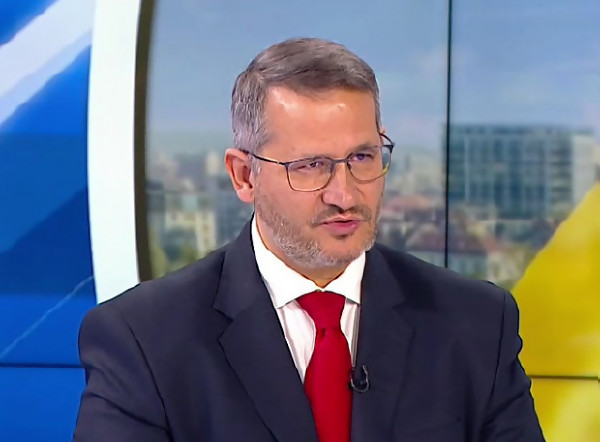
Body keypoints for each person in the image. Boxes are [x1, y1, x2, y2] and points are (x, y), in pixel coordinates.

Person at [73, 38, 544, 441]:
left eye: (362, 157)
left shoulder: (477, 324)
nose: (344, 194)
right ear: (244, 176)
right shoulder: (143, 340)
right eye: (311, 166)